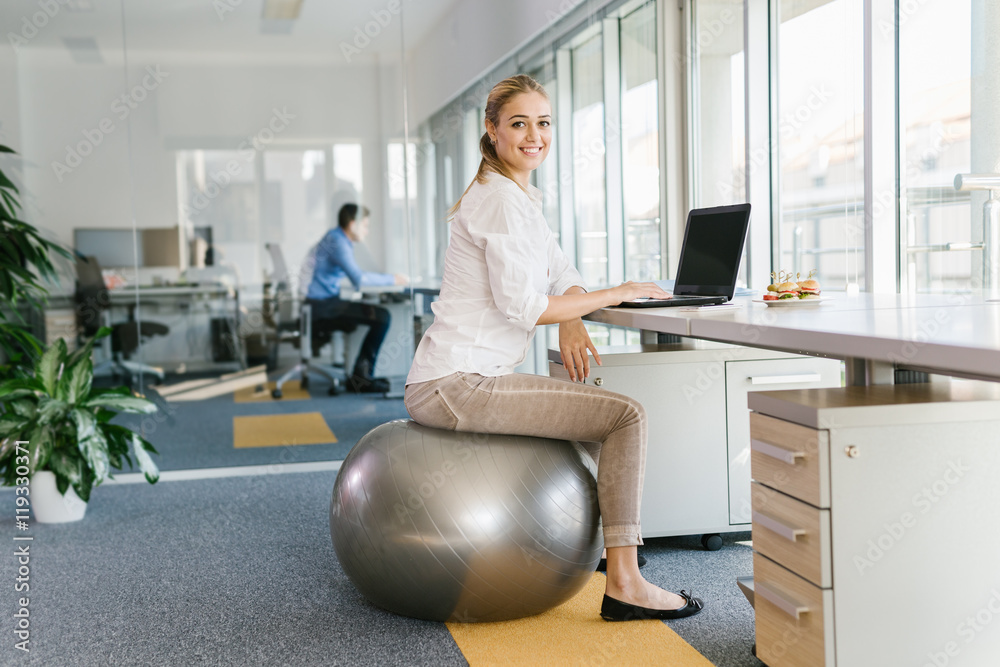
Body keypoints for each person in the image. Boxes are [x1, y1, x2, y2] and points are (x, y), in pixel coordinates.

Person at [403, 74, 704, 622]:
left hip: (455, 378)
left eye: (543, 123)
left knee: (599, 414)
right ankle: (626, 582)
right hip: (457, 383)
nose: (534, 135)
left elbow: (563, 274)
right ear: (492, 131)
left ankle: (588, 553)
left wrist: (574, 316)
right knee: (625, 417)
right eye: (518, 123)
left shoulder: (519, 198)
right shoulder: (498, 201)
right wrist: (617, 294)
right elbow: (525, 306)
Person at [307, 203, 407, 393]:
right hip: (323, 307)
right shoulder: (338, 241)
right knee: (381, 317)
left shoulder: (335, 237)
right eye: (365, 226)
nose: (367, 231)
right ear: (352, 225)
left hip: (319, 304)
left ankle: (359, 375)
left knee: (371, 313)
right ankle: (361, 379)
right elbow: (359, 279)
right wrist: (393, 279)